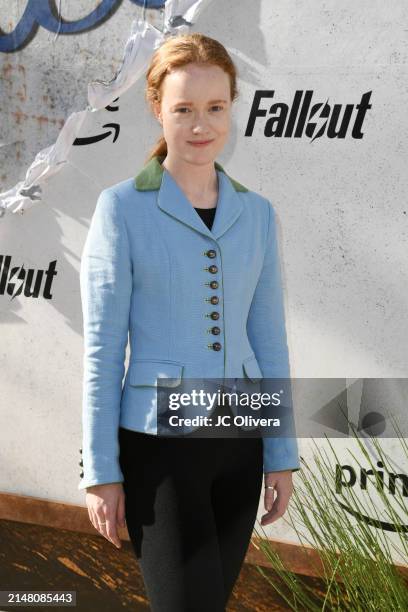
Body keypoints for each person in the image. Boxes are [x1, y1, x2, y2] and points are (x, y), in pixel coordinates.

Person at [78, 32, 301, 611]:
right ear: (158, 108)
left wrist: (280, 455)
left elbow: (268, 342)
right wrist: (101, 470)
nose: (201, 125)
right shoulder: (121, 208)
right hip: (160, 452)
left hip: (241, 446)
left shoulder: (256, 213)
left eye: (215, 108)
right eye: (183, 109)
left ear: (231, 106)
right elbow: (103, 349)